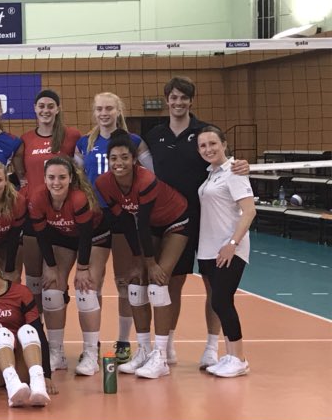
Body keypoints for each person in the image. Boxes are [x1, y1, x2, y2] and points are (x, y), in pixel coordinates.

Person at [144, 77, 249, 368]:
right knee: (171, 283)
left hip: (205, 221)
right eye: (173, 97)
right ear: (167, 100)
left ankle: (211, 348)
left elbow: (223, 162)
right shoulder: (154, 135)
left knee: (213, 288)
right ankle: (168, 346)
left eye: (183, 98)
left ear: (191, 101)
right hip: (170, 222)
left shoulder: (203, 132)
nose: (178, 102)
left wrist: (241, 164)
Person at [95, 131, 189, 380]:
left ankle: (161, 356)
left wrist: (150, 264)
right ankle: (144, 349)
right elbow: (126, 222)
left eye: (125, 157)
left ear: (134, 159)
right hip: (151, 228)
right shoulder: (104, 183)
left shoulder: (145, 179)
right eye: (114, 158)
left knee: (158, 282)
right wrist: (138, 261)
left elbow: (143, 222)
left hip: (176, 221)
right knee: (136, 284)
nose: (119, 163)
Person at [75, 92, 153, 363]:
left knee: (124, 282)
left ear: (118, 110)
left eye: (109, 108)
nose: (104, 113)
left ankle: (123, 341)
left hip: (124, 217)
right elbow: (77, 178)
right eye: (99, 109)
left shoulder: (135, 142)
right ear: (94, 112)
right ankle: (92, 345)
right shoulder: (85, 142)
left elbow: (151, 176)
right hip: (95, 218)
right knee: (92, 282)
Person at [28, 156, 110, 375]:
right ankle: (57, 353)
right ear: (44, 178)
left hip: (94, 237)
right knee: (52, 289)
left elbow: (85, 236)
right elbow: (42, 235)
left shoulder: (79, 198)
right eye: (51, 177)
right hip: (63, 236)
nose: (56, 182)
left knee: (86, 288)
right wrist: (51, 266)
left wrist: (82, 268)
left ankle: (91, 354)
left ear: (71, 178)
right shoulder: (37, 198)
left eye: (62, 177)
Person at [13, 89, 82, 309]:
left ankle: (56, 314)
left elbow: (80, 171)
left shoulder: (72, 136)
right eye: (41, 106)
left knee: (55, 282)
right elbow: (19, 168)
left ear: (58, 109)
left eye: (50, 106)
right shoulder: (26, 139)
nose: (46, 110)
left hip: (61, 213)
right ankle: (36, 322)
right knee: (34, 279)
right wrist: (23, 182)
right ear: (35, 109)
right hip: (33, 212)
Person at [196, 126, 256, 378]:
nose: (208, 149)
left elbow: (249, 211)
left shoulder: (234, 171)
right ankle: (230, 356)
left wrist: (232, 243)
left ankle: (239, 359)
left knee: (221, 300)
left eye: (213, 143)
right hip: (209, 249)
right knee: (218, 302)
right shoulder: (210, 174)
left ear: (224, 144)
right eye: (203, 145)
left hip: (229, 248)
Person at [0, 243, 53, 406]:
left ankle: (38, 384)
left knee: (28, 329)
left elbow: (38, 332)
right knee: (3, 333)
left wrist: (47, 374)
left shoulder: (21, 292)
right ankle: (12, 387)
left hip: (20, 363)